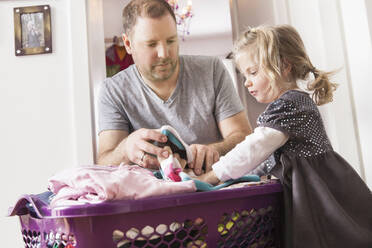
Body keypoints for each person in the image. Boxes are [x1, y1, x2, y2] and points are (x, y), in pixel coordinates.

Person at [196, 25, 372, 247]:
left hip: (315, 194)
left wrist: (211, 176)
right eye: (244, 75)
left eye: (253, 72)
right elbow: (263, 159)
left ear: (284, 66)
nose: (246, 82)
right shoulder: (289, 105)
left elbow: (253, 149)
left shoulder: (290, 104)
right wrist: (231, 182)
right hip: (305, 192)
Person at [97, 0, 252, 175]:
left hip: (216, 189)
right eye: (151, 44)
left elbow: (244, 136)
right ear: (128, 44)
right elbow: (104, 163)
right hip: (153, 197)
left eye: (171, 41)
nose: (164, 54)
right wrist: (126, 148)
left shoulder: (212, 70)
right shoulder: (113, 90)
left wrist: (215, 150)